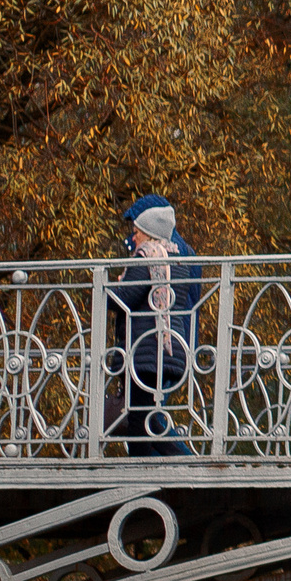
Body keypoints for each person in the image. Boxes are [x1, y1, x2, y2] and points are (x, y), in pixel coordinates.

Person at [108, 195, 204, 455]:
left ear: (148, 231)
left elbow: (125, 298)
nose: (133, 237)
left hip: (147, 350)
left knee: (143, 422)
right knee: (147, 420)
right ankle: (180, 465)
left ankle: (181, 465)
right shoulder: (180, 258)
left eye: (137, 230)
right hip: (171, 347)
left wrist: (105, 289)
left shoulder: (147, 258)